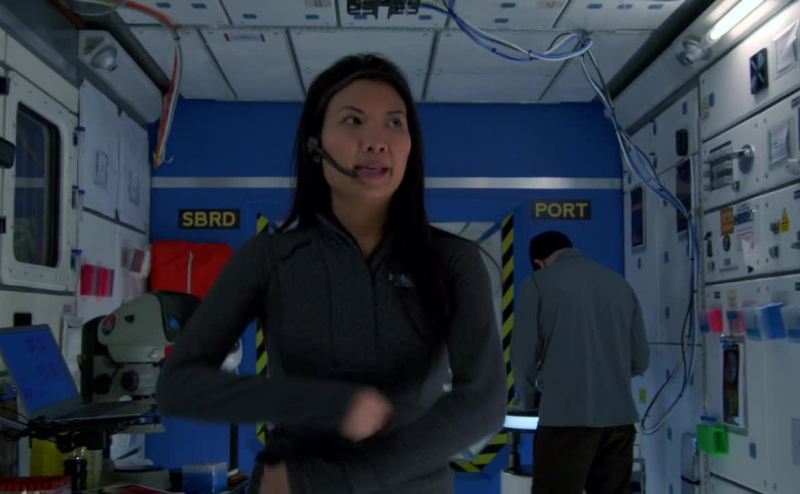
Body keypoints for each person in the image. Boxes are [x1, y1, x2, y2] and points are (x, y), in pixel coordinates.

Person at [156, 54, 506, 494]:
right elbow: (178, 386)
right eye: (353, 121)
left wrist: (344, 480)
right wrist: (325, 402)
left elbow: (484, 403)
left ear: (410, 146)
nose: (376, 141)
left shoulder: (454, 261)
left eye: (394, 123)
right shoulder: (268, 258)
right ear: (315, 144)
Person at [510, 231, 649, 494]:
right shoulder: (619, 285)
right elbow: (640, 361)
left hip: (564, 424)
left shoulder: (537, 284)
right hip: (619, 422)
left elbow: (523, 358)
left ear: (539, 263)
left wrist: (528, 401)